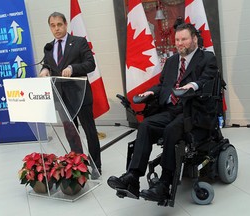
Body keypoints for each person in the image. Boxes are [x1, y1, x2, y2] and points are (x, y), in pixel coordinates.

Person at [107, 23, 218, 201]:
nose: (180, 43)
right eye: (177, 40)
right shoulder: (172, 61)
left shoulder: (207, 58)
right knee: (146, 125)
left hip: (194, 110)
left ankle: (165, 184)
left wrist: (192, 85)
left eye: (184, 39)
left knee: (171, 130)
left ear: (194, 39)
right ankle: (133, 177)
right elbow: (162, 84)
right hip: (171, 109)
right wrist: (151, 92)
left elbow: (207, 79)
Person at [39, 12, 102, 174]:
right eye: (52, 26)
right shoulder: (49, 47)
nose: (56, 29)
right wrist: (45, 70)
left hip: (80, 96)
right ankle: (78, 165)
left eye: (59, 25)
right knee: (71, 133)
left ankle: (96, 165)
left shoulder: (79, 42)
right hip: (62, 97)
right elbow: (48, 64)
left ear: (65, 24)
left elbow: (90, 64)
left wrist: (72, 68)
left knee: (89, 132)